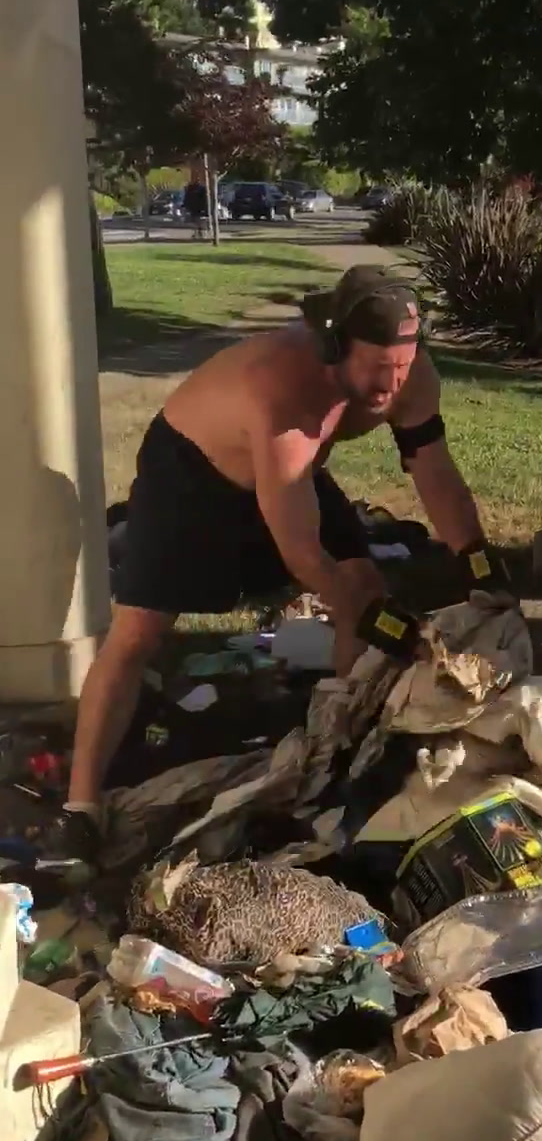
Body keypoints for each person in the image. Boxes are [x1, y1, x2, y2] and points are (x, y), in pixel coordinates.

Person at [58, 265, 511, 860]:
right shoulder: (284, 391)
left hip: (290, 474)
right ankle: (81, 803)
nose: (388, 385)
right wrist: (377, 618)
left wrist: (479, 565)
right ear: (333, 348)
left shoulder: (408, 379)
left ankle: (332, 760)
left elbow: (432, 471)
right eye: (376, 368)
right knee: (140, 631)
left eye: (399, 369)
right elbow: (303, 552)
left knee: (363, 577)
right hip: (193, 475)